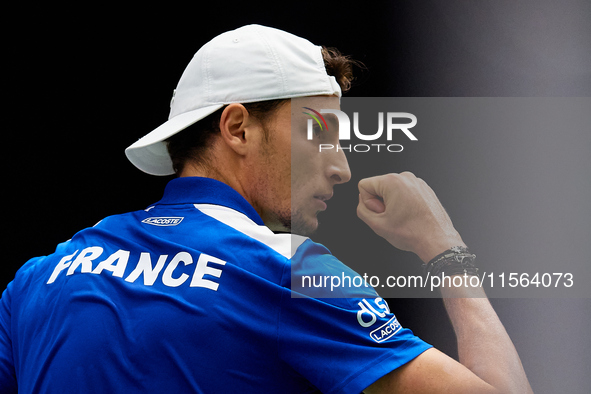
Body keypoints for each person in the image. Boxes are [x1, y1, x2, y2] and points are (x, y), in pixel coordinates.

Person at [0, 24, 532, 393]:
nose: (342, 168)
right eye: (318, 132)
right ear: (237, 128)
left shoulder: (40, 276)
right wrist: (444, 249)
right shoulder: (289, 270)